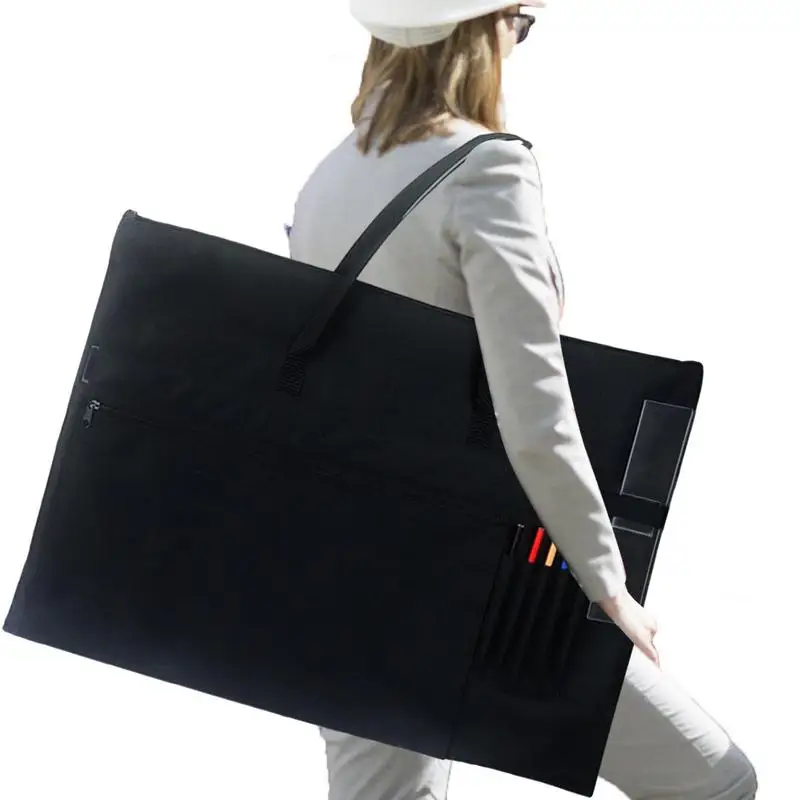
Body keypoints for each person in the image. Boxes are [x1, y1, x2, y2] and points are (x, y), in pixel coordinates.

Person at [288, 1, 758, 797]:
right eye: (524, 22)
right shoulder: (484, 171)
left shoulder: (333, 173)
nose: (520, 41)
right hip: (479, 577)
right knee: (715, 785)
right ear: (484, 29)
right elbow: (532, 406)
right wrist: (607, 584)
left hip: (348, 575)